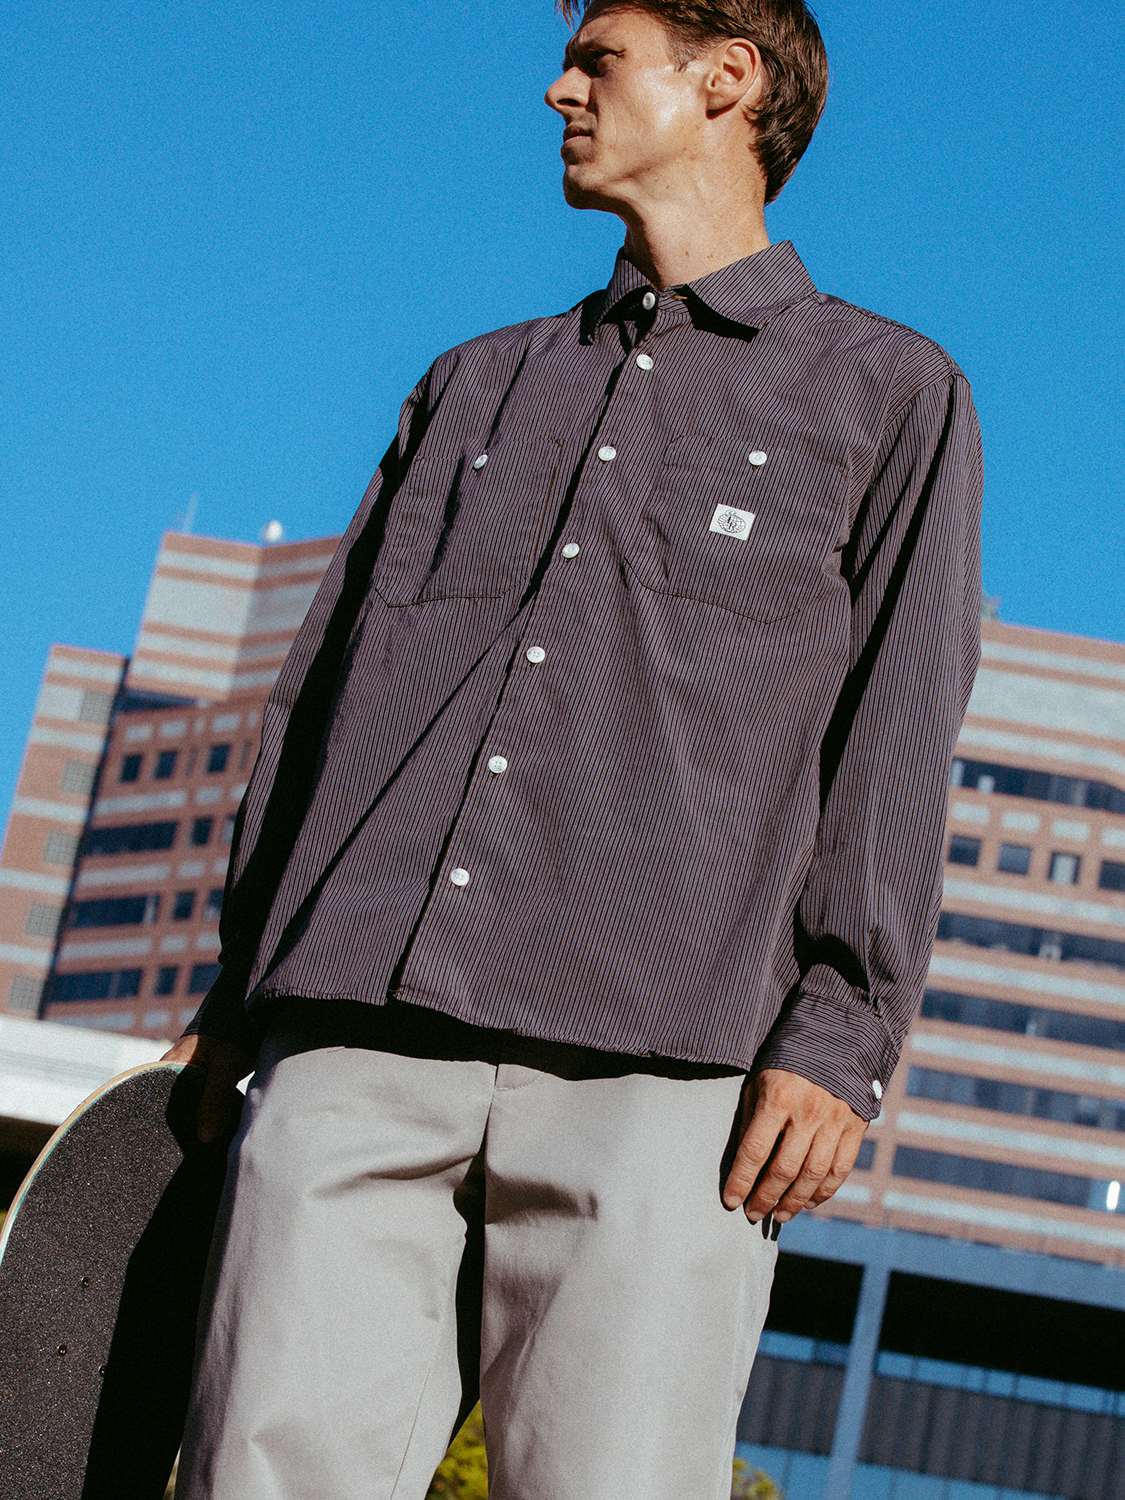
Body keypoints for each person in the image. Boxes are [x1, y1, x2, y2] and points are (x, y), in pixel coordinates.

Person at [168, 3, 983, 1497]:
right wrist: (238, 991)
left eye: (600, 57)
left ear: (726, 79)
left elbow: (897, 731)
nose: (559, 88)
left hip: (669, 1066)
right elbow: (321, 697)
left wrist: (841, 1036)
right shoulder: (472, 384)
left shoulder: (888, 394)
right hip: (356, 1034)